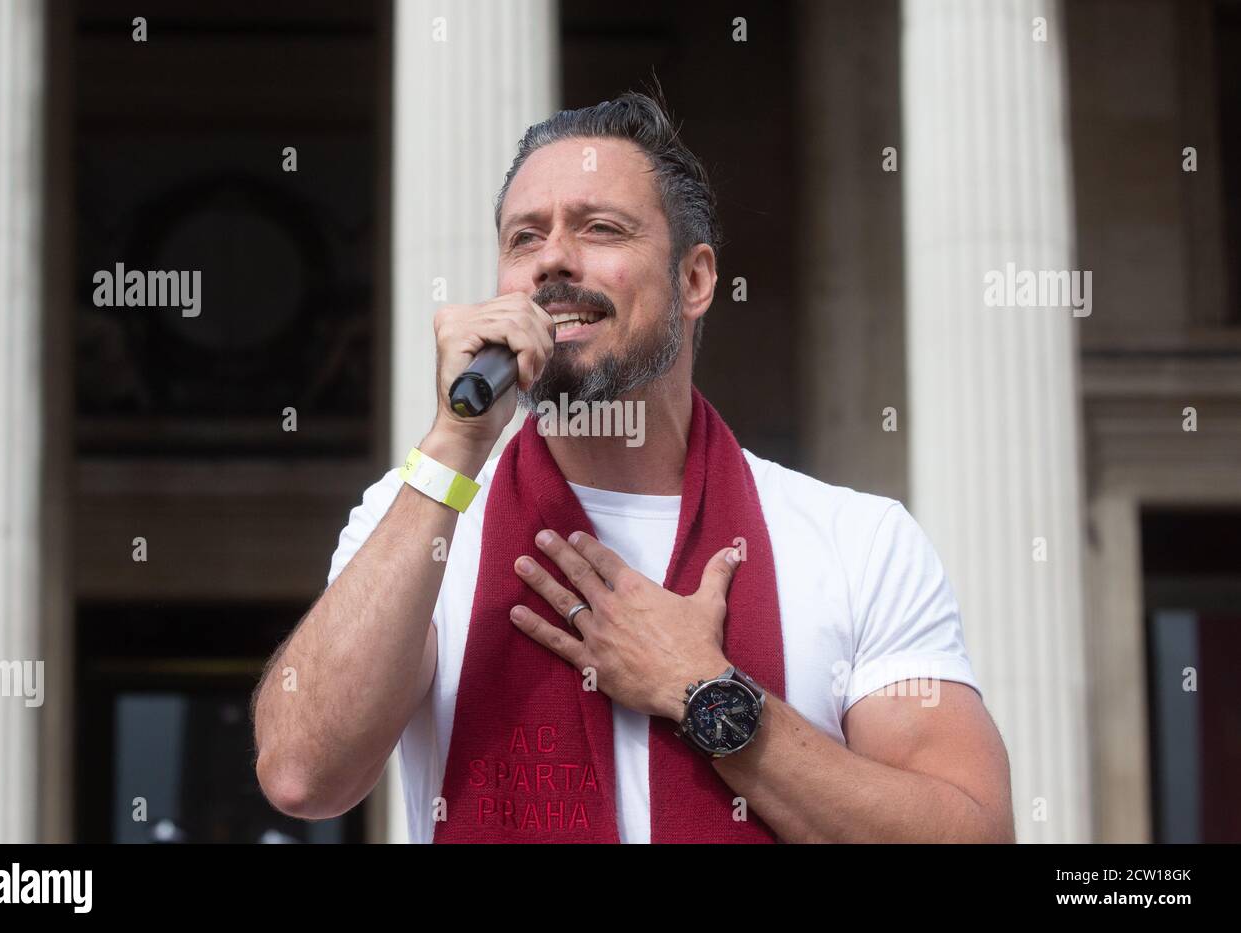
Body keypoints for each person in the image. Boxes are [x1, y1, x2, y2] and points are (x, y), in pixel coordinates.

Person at [251, 90, 1014, 844]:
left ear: (695, 281)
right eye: (524, 238)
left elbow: (970, 832)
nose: (552, 258)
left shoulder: (856, 539)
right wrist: (454, 443)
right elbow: (301, 773)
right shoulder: (422, 510)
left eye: (600, 228)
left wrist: (704, 692)